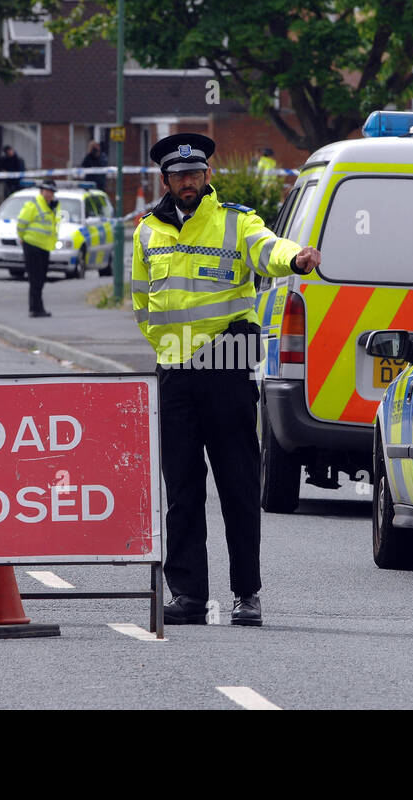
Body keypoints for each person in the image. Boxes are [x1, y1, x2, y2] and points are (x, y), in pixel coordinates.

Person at [131, 133, 321, 627]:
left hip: (227, 368)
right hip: (174, 375)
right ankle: (189, 596)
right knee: (182, 491)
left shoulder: (236, 221)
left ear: (207, 176)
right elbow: (140, 304)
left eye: (195, 174)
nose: (188, 182)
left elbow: (268, 250)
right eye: (179, 175)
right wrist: (163, 348)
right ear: (165, 180)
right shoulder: (146, 232)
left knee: (237, 486)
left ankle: (247, 595)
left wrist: (296, 257)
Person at [17, 179, 59, 318]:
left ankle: (36, 307)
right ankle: (36, 309)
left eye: (52, 192)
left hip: (44, 247)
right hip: (32, 245)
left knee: (40, 279)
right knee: (36, 279)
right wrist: (22, 237)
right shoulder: (33, 205)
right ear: (42, 191)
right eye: (47, 191)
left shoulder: (51, 207)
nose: (49, 194)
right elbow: (21, 223)